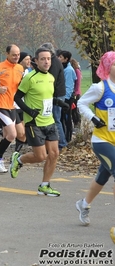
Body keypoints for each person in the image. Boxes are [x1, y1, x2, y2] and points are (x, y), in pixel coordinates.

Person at [74, 52, 115, 242]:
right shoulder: (100, 88)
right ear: (107, 67)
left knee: (103, 176)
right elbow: (81, 103)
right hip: (102, 141)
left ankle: (84, 204)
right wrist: (93, 118)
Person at [10, 47, 62, 197]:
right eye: (43, 59)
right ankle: (18, 159)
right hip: (34, 122)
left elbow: (46, 97)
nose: (46, 62)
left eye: (48, 59)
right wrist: (28, 110)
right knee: (40, 156)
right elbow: (17, 97)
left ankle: (44, 186)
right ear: (36, 61)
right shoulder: (30, 78)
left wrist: (58, 102)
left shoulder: (51, 77)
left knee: (54, 153)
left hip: (49, 121)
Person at [0, 44, 25, 173]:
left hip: (11, 104)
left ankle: (0, 140)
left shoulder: (20, 68)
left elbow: (21, 86)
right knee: (12, 134)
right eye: (13, 55)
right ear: (7, 54)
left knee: (15, 134)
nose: (16, 57)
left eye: (18, 55)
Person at [40, 43, 67, 150]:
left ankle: (61, 143)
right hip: (57, 94)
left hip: (56, 95)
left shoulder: (54, 63)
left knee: (56, 119)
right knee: (55, 119)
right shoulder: (55, 61)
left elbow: (52, 79)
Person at [58, 50, 76, 142]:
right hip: (64, 97)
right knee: (62, 118)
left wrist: (65, 100)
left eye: (61, 57)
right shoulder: (64, 68)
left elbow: (69, 86)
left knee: (66, 117)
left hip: (67, 98)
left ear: (66, 59)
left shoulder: (68, 70)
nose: (59, 58)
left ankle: (67, 138)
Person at [70, 58, 82, 128]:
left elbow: (78, 83)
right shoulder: (73, 71)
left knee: (75, 109)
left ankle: (77, 123)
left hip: (76, 93)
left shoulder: (77, 71)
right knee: (73, 109)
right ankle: (75, 123)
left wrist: (76, 92)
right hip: (73, 92)